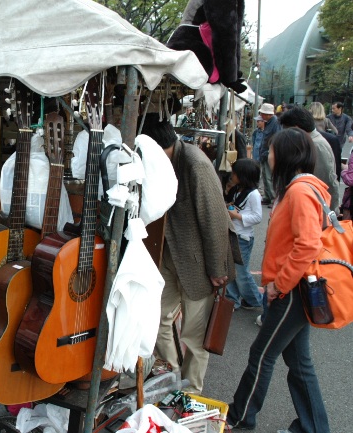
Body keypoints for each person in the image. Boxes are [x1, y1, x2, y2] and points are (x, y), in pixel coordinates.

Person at [227, 127, 331, 432]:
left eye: (271, 151)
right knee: (299, 364)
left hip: (292, 290)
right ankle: (314, 426)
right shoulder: (305, 187)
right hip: (298, 287)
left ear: (286, 155)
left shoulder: (299, 191)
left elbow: (308, 244)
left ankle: (240, 417)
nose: (267, 156)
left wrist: (279, 284)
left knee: (261, 355)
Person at [142, 119, 235, 394]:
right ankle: (171, 377)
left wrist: (218, 268)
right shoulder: (160, 163)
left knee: (195, 335)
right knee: (155, 318)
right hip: (168, 253)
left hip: (200, 262)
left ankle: (191, 389)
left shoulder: (195, 163)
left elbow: (216, 220)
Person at [280, 106, 338, 210]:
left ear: (296, 128)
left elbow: (328, 182)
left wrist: (332, 213)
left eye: (286, 130)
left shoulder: (316, 145)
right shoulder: (308, 142)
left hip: (314, 209)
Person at [224, 158, 263, 310]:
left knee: (241, 273)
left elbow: (257, 217)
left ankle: (255, 299)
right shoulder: (239, 189)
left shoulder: (253, 194)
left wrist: (237, 216)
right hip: (234, 234)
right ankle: (233, 299)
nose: (232, 176)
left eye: (235, 173)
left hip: (243, 238)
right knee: (232, 270)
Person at [258, 103, 280, 207]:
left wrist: (269, 153)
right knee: (265, 176)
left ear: (268, 114)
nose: (261, 115)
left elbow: (275, 140)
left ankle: (272, 198)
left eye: (262, 113)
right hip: (265, 152)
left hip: (269, 153)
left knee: (269, 177)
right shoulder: (269, 122)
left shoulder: (275, 123)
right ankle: (267, 196)